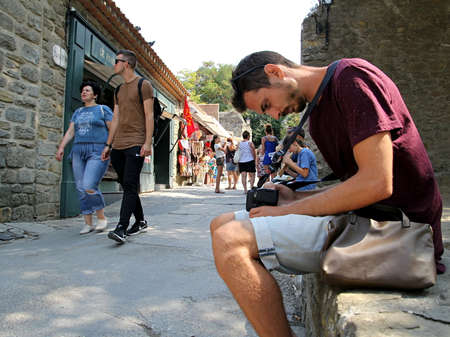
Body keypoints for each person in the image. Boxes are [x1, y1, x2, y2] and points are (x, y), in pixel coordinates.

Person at [210, 51, 444, 337]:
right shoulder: (319, 112)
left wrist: (286, 211)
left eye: (267, 104)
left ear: (275, 71)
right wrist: (296, 198)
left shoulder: (353, 79)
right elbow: (356, 184)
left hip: (401, 231)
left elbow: (377, 183)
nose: (273, 115)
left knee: (229, 239)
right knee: (220, 224)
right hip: (368, 218)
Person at [101, 49, 154, 244]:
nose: (114, 64)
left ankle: (121, 227)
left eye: (117, 61)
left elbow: (149, 116)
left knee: (130, 184)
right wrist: (108, 144)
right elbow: (115, 118)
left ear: (127, 64)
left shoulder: (143, 85)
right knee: (127, 185)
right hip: (118, 145)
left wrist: (147, 142)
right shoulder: (118, 90)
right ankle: (140, 221)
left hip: (136, 142)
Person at [56, 81, 112, 234]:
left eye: (87, 90)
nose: (84, 92)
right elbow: (70, 132)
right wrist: (61, 147)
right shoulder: (78, 112)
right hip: (78, 150)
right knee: (80, 188)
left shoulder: (103, 109)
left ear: (95, 95)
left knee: (89, 184)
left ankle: (101, 218)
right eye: (82, 91)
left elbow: (112, 128)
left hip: (97, 150)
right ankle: (88, 223)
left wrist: (108, 146)